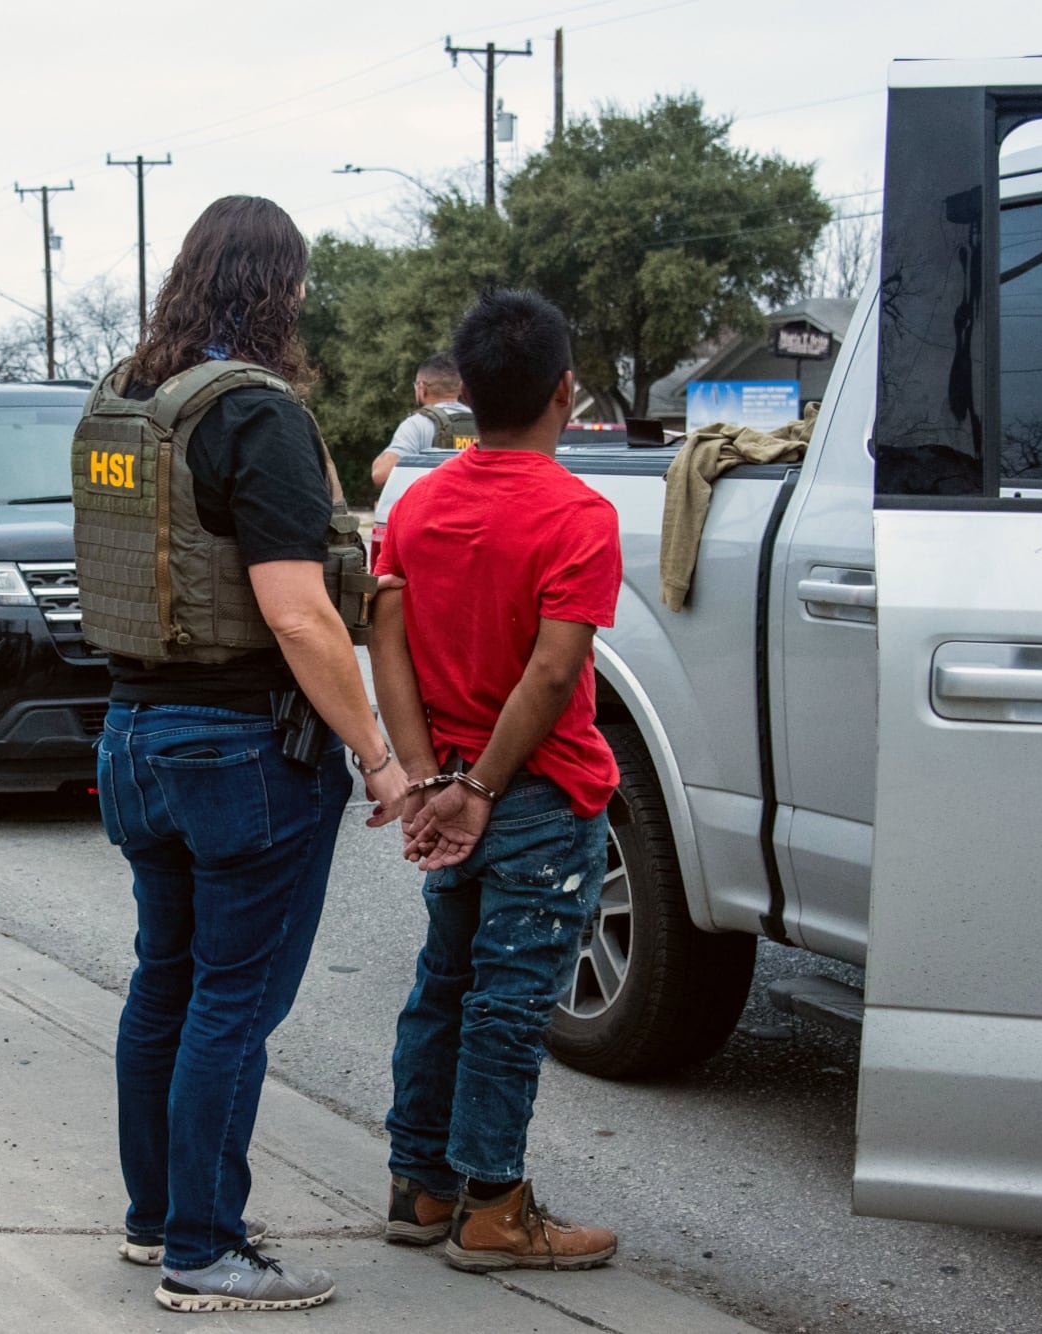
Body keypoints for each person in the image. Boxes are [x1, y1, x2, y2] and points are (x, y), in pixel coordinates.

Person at [73, 195, 410, 1313]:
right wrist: (376, 753)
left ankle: (158, 1219)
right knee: (231, 1001)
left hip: (132, 734)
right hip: (239, 747)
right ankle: (205, 1249)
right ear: (283, 289)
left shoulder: (125, 400)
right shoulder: (255, 414)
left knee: (163, 982)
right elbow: (300, 614)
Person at [370, 289, 623, 1273]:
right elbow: (553, 672)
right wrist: (478, 787)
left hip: (447, 787)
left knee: (444, 984)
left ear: (465, 394)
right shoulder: (578, 514)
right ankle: (493, 1209)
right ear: (565, 390)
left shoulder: (418, 505)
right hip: (538, 795)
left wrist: (426, 778)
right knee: (509, 1003)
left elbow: (386, 639)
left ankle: (421, 1185)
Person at [368, 351, 476, 488]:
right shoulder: (482, 421)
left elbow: (381, 474)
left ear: (421, 388)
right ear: (460, 388)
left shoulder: (417, 424)